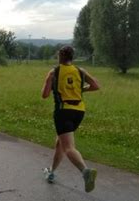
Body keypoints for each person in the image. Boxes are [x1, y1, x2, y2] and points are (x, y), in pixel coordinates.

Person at [41, 45, 100, 192]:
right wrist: (82, 89)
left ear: (60, 56)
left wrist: (50, 83)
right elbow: (95, 85)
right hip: (79, 111)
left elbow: (45, 94)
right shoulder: (80, 71)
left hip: (63, 111)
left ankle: (86, 172)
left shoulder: (54, 72)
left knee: (68, 148)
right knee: (60, 143)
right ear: (72, 57)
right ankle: (51, 171)